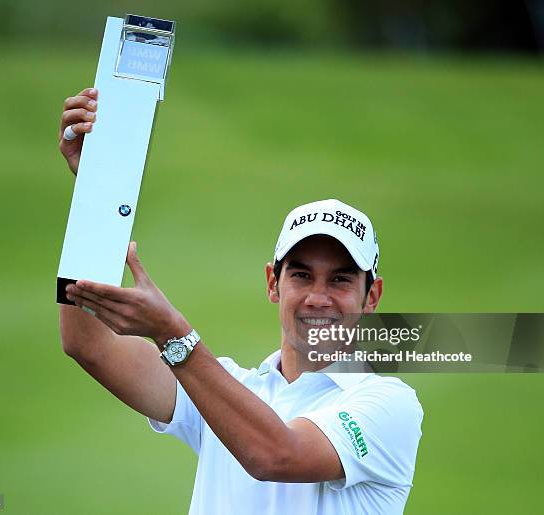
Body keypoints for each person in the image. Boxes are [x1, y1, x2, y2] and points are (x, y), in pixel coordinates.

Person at [58, 88, 423, 515]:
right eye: (302, 275)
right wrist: (95, 195)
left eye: (341, 279)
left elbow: (275, 455)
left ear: (371, 296)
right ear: (273, 283)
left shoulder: (388, 405)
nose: (318, 297)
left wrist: (172, 334)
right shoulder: (229, 389)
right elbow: (90, 345)